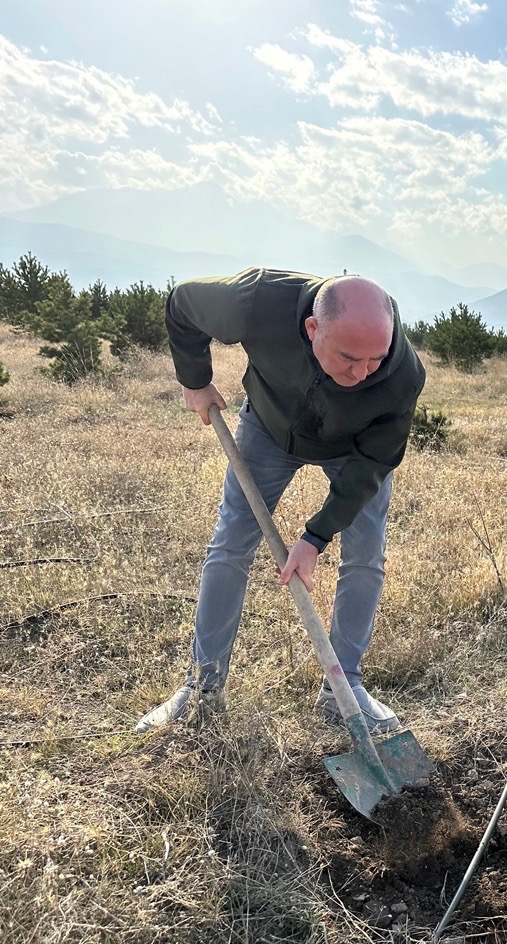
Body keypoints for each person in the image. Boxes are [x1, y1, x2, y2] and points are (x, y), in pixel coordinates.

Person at [136, 268, 426, 735]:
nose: (361, 374)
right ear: (313, 329)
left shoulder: (402, 375)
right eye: (349, 358)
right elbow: (183, 304)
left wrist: (314, 537)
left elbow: (373, 465)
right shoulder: (256, 299)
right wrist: (196, 379)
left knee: (366, 554)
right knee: (231, 542)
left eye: (374, 360)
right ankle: (202, 690)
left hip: (352, 450)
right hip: (268, 429)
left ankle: (343, 688)